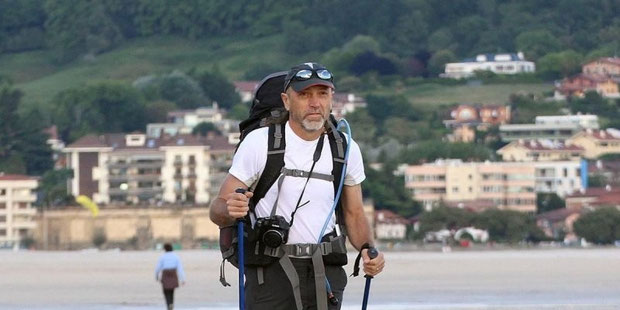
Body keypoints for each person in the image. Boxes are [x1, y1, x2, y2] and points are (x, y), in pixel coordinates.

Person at [210, 62, 385, 310]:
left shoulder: (345, 148)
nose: (315, 103)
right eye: (304, 94)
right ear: (286, 100)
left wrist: (368, 249)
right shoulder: (260, 143)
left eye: (322, 94)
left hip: (325, 270)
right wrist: (230, 208)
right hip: (270, 271)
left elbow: (354, 213)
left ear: (332, 97)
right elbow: (217, 209)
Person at [154, 243, 186, 310]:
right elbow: (180, 269)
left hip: (165, 275)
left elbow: (158, 268)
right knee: (172, 291)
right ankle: (171, 304)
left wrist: (156, 276)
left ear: (165, 249)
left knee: (166, 291)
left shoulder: (163, 257)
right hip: (173, 274)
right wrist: (183, 279)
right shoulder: (176, 256)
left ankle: (168, 304)